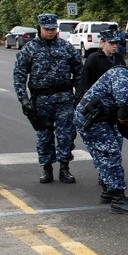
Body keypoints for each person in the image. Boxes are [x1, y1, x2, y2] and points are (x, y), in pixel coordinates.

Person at [75, 58, 128, 214]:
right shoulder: (124, 77)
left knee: (106, 154)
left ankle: (109, 191)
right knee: (109, 154)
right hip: (93, 120)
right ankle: (118, 199)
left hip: (103, 119)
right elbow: (125, 105)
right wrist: (126, 125)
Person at [13, 13, 83, 184]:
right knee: (44, 135)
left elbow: (80, 71)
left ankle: (64, 168)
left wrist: (78, 94)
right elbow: (20, 74)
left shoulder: (66, 47)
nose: (51, 32)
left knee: (66, 134)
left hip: (64, 98)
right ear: (40, 28)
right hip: (41, 99)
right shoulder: (30, 49)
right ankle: (47, 168)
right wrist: (24, 99)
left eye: (53, 29)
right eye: (47, 29)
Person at [80, 28, 127, 94]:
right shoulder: (93, 59)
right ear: (103, 42)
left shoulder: (119, 58)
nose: (115, 46)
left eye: (116, 43)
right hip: (98, 96)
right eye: (111, 43)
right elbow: (85, 81)